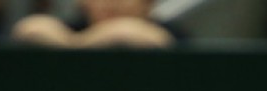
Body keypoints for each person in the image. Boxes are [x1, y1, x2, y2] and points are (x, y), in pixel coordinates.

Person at [11, 0, 184, 48]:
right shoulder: (70, 28)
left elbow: (159, 41)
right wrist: (79, 43)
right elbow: (29, 28)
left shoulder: (174, 33)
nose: (111, 3)